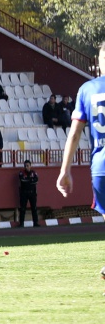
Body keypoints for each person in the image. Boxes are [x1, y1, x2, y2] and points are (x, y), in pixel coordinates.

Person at [55, 44, 105, 254]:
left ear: (99, 62)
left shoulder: (87, 89)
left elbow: (74, 134)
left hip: (100, 167)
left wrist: (64, 171)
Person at [18, 158, 41, 227]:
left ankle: (35, 222)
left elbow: (36, 180)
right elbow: (22, 180)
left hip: (32, 193)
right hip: (24, 193)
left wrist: (28, 180)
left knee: (34, 208)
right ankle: (21, 223)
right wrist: (31, 180)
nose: (26, 167)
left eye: (28, 165)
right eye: (25, 166)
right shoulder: (21, 172)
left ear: (30, 166)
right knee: (22, 208)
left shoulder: (34, 172)